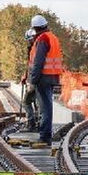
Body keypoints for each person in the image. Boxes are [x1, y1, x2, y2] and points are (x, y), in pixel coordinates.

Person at [28, 15, 63, 144]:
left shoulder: (42, 39)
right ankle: (46, 133)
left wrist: (33, 79)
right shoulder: (52, 37)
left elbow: (38, 62)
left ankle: (45, 135)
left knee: (44, 107)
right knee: (47, 106)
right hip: (53, 76)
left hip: (43, 77)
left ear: (35, 28)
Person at [20, 28, 39, 132]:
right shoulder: (35, 48)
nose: (28, 42)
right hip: (36, 79)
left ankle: (31, 124)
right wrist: (25, 76)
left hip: (35, 80)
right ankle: (37, 123)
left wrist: (30, 78)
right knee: (37, 103)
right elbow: (30, 65)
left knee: (26, 101)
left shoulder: (35, 48)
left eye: (29, 39)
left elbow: (34, 66)